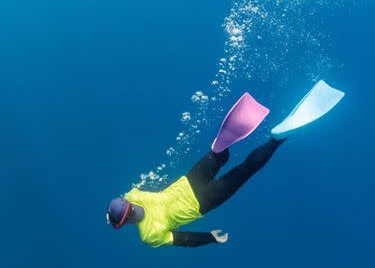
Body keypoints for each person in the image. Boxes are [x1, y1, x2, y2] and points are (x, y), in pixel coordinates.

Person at [106, 81, 345, 248]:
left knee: (244, 171)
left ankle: (276, 139)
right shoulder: (134, 194)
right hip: (188, 182)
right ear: (127, 204)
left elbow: (185, 239)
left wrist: (212, 237)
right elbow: (130, 198)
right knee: (220, 155)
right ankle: (219, 148)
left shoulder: (149, 235)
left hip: (202, 203)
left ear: (126, 221)